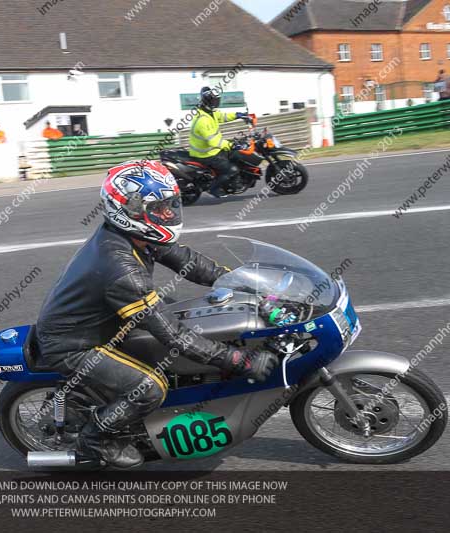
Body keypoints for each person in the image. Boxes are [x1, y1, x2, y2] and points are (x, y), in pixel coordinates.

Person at [35, 161, 282, 468]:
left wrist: (250, 288)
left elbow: (191, 262)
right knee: (149, 388)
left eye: (171, 205)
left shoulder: (137, 235)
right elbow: (174, 336)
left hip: (104, 323)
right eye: (159, 207)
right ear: (130, 211)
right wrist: (238, 360)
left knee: (192, 317)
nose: (168, 214)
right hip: (74, 345)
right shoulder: (121, 269)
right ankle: (96, 440)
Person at [189, 87, 250, 198]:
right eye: (214, 100)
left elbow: (223, 116)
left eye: (217, 99)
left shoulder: (209, 112)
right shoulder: (203, 120)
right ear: (208, 101)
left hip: (213, 150)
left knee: (235, 156)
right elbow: (213, 142)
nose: (217, 102)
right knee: (232, 169)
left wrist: (239, 115)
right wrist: (231, 145)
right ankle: (213, 188)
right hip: (206, 154)